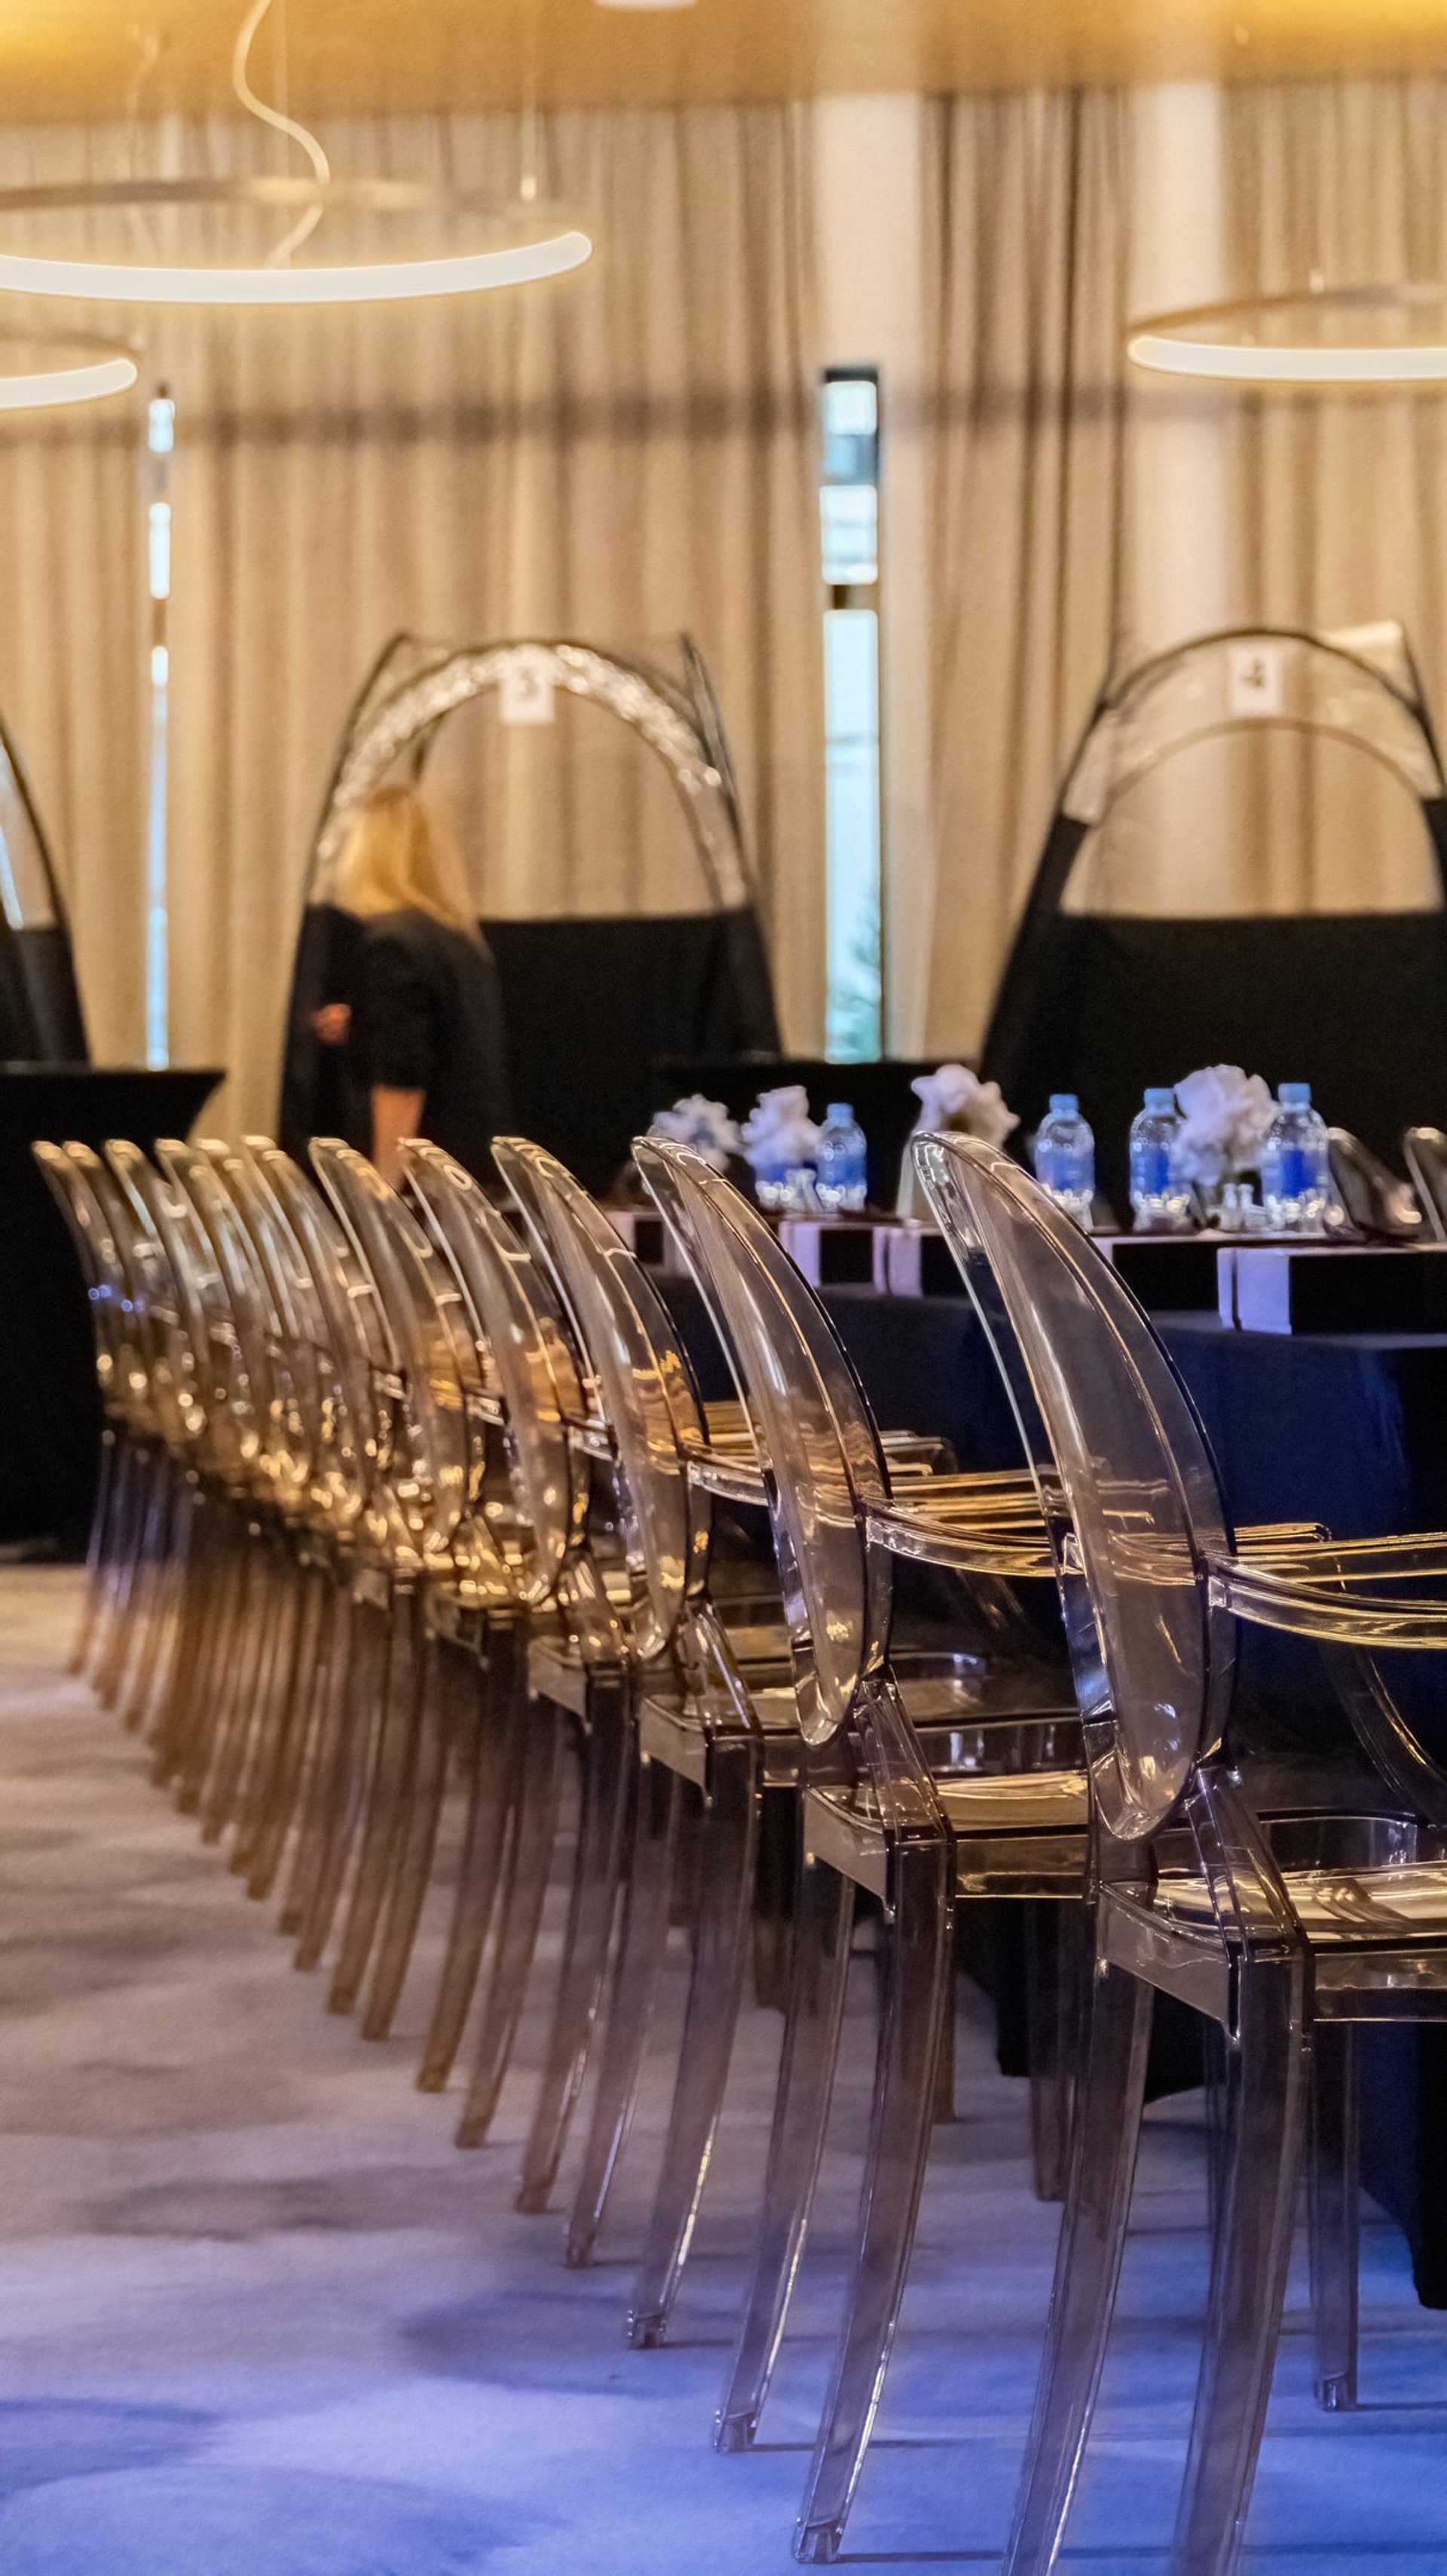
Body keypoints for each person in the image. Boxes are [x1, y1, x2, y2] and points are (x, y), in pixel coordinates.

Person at [314, 782, 513, 1183]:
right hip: (476, 1171)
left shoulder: (392, 945)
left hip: (427, 1186)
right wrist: (364, 1027)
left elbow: (402, 1079)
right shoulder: (461, 942)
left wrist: (385, 1188)